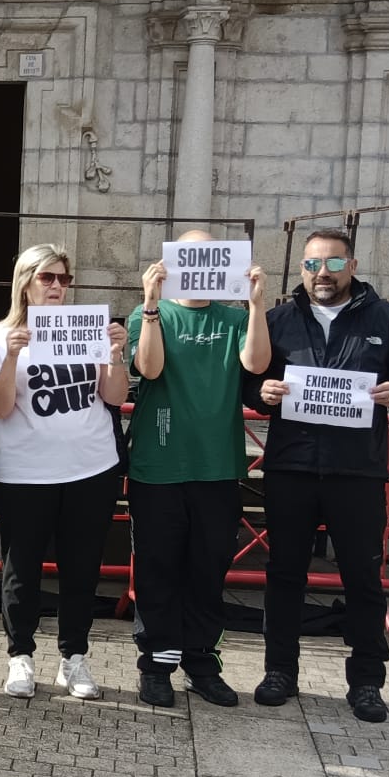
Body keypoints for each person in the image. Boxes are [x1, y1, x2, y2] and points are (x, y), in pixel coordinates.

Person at [246, 228, 389, 723]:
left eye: (331, 264)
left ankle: (367, 681)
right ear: (300, 269)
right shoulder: (279, 319)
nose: (321, 274)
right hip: (292, 467)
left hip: (358, 471)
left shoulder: (386, 318)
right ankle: (279, 670)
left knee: (363, 578)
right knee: (284, 574)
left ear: (352, 264)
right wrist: (262, 394)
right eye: (310, 265)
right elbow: (250, 381)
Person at [126, 231, 273, 709]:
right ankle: (156, 667)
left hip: (217, 467)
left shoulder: (233, 318)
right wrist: (150, 303)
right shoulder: (151, 314)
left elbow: (257, 362)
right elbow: (147, 370)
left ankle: (202, 663)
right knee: (157, 569)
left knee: (209, 570)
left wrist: (255, 305)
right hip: (159, 464)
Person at [0, 245, 129, 702]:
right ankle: (20, 655)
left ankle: (74, 657)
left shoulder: (85, 328)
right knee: (21, 568)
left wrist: (116, 353)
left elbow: (114, 395)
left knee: (82, 567)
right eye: (47, 278)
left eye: (63, 279)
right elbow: (1, 408)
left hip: (91, 466)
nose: (57, 286)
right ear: (24, 281)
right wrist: (8, 357)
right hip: (24, 471)